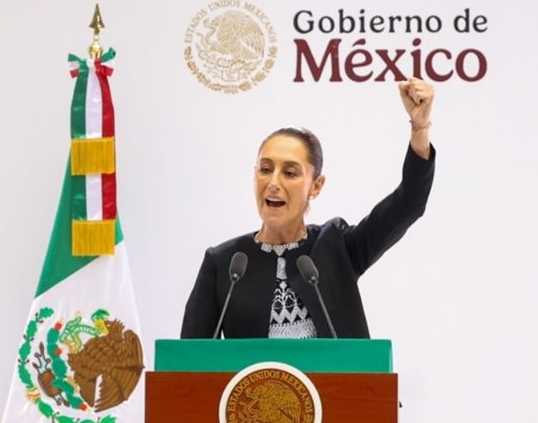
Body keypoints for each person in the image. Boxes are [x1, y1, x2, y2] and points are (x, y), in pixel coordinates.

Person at [180, 78, 436, 339]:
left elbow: (409, 203)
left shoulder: (337, 246)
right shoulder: (225, 263)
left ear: (316, 186)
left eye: (290, 173)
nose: (273, 183)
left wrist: (420, 128)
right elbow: (189, 358)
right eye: (265, 169)